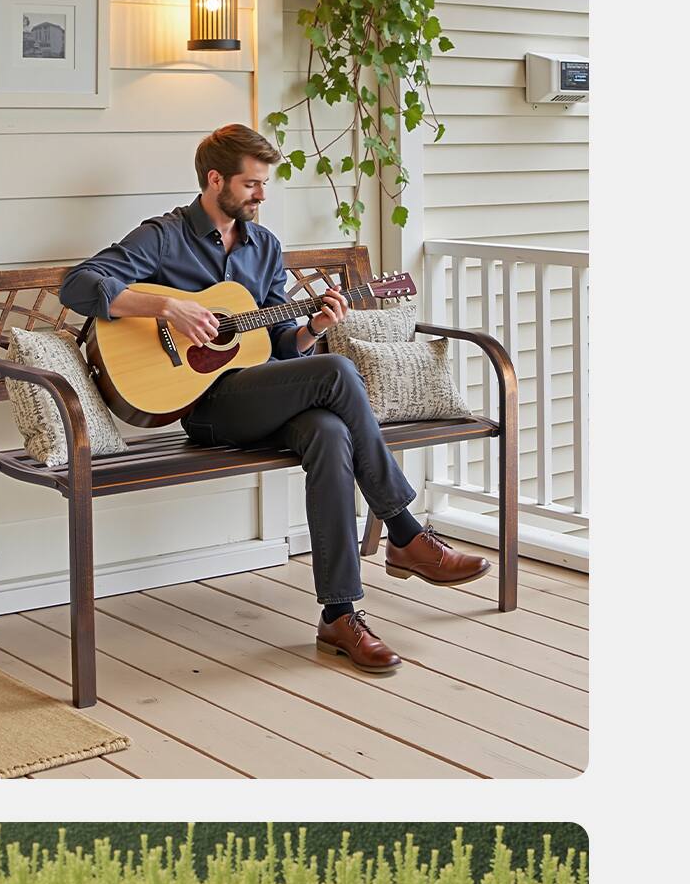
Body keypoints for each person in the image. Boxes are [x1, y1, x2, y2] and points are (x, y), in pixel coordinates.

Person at [61, 125, 488, 672]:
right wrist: (167, 309)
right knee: (336, 371)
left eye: (265, 184)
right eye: (252, 184)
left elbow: (276, 347)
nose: (262, 195)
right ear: (215, 180)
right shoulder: (163, 237)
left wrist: (313, 327)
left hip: (260, 393)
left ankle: (339, 615)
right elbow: (78, 284)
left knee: (330, 432)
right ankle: (404, 531)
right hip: (208, 411)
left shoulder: (264, 246)